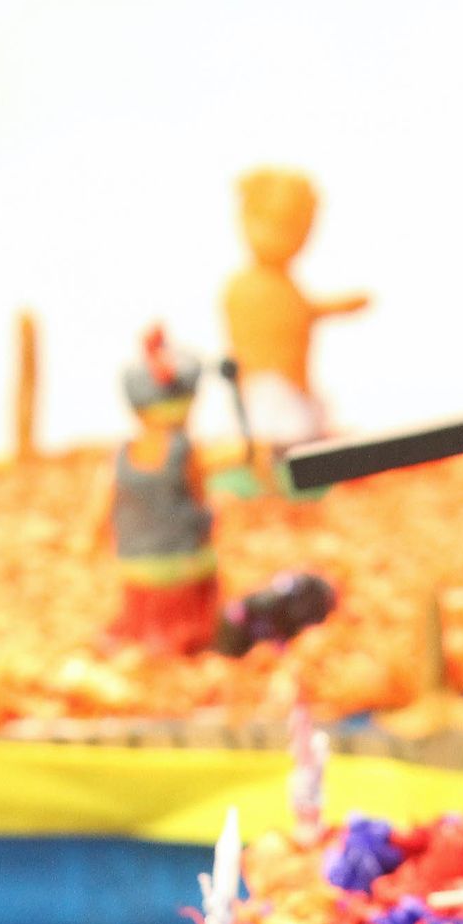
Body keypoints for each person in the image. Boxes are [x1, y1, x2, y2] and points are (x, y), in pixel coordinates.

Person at [222, 169, 369, 448]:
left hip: (295, 385)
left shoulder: (289, 287)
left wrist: (342, 306)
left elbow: (303, 313)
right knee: (276, 429)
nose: (282, 238)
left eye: (296, 228)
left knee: (300, 429)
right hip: (265, 387)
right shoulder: (242, 287)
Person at [101, 330, 219, 656]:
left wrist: (96, 534)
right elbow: (199, 497)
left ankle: (146, 636)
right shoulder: (183, 450)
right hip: (182, 561)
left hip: (135, 560)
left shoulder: (126, 451)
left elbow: (107, 500)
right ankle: (184, 636)